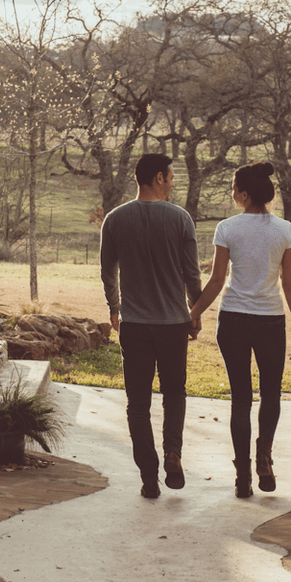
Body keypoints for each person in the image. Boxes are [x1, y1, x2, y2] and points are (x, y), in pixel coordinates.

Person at [189, 162, 291, 498]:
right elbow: (290, 282)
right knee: (271, 394)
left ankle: (242, 476)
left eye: (233, 188)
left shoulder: (227, 228)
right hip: (271, 321)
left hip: (234, 320)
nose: (231, 193)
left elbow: (217, 280)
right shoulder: (285, 230)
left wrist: (193, 313)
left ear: (244, 194)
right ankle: (264, 458)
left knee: (240, 399)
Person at [100, 153, 203, 498]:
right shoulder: (180, 219)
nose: (173, 183)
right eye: (171, 177)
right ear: (158, 178)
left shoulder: (115, 219)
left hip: (135, 325)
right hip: (173, 323)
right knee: (174, 391)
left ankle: (148, 475)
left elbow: (107, 270)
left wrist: (114, 308)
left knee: (138, 402)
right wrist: (196, 311)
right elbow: (192, 274)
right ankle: (173, 451)